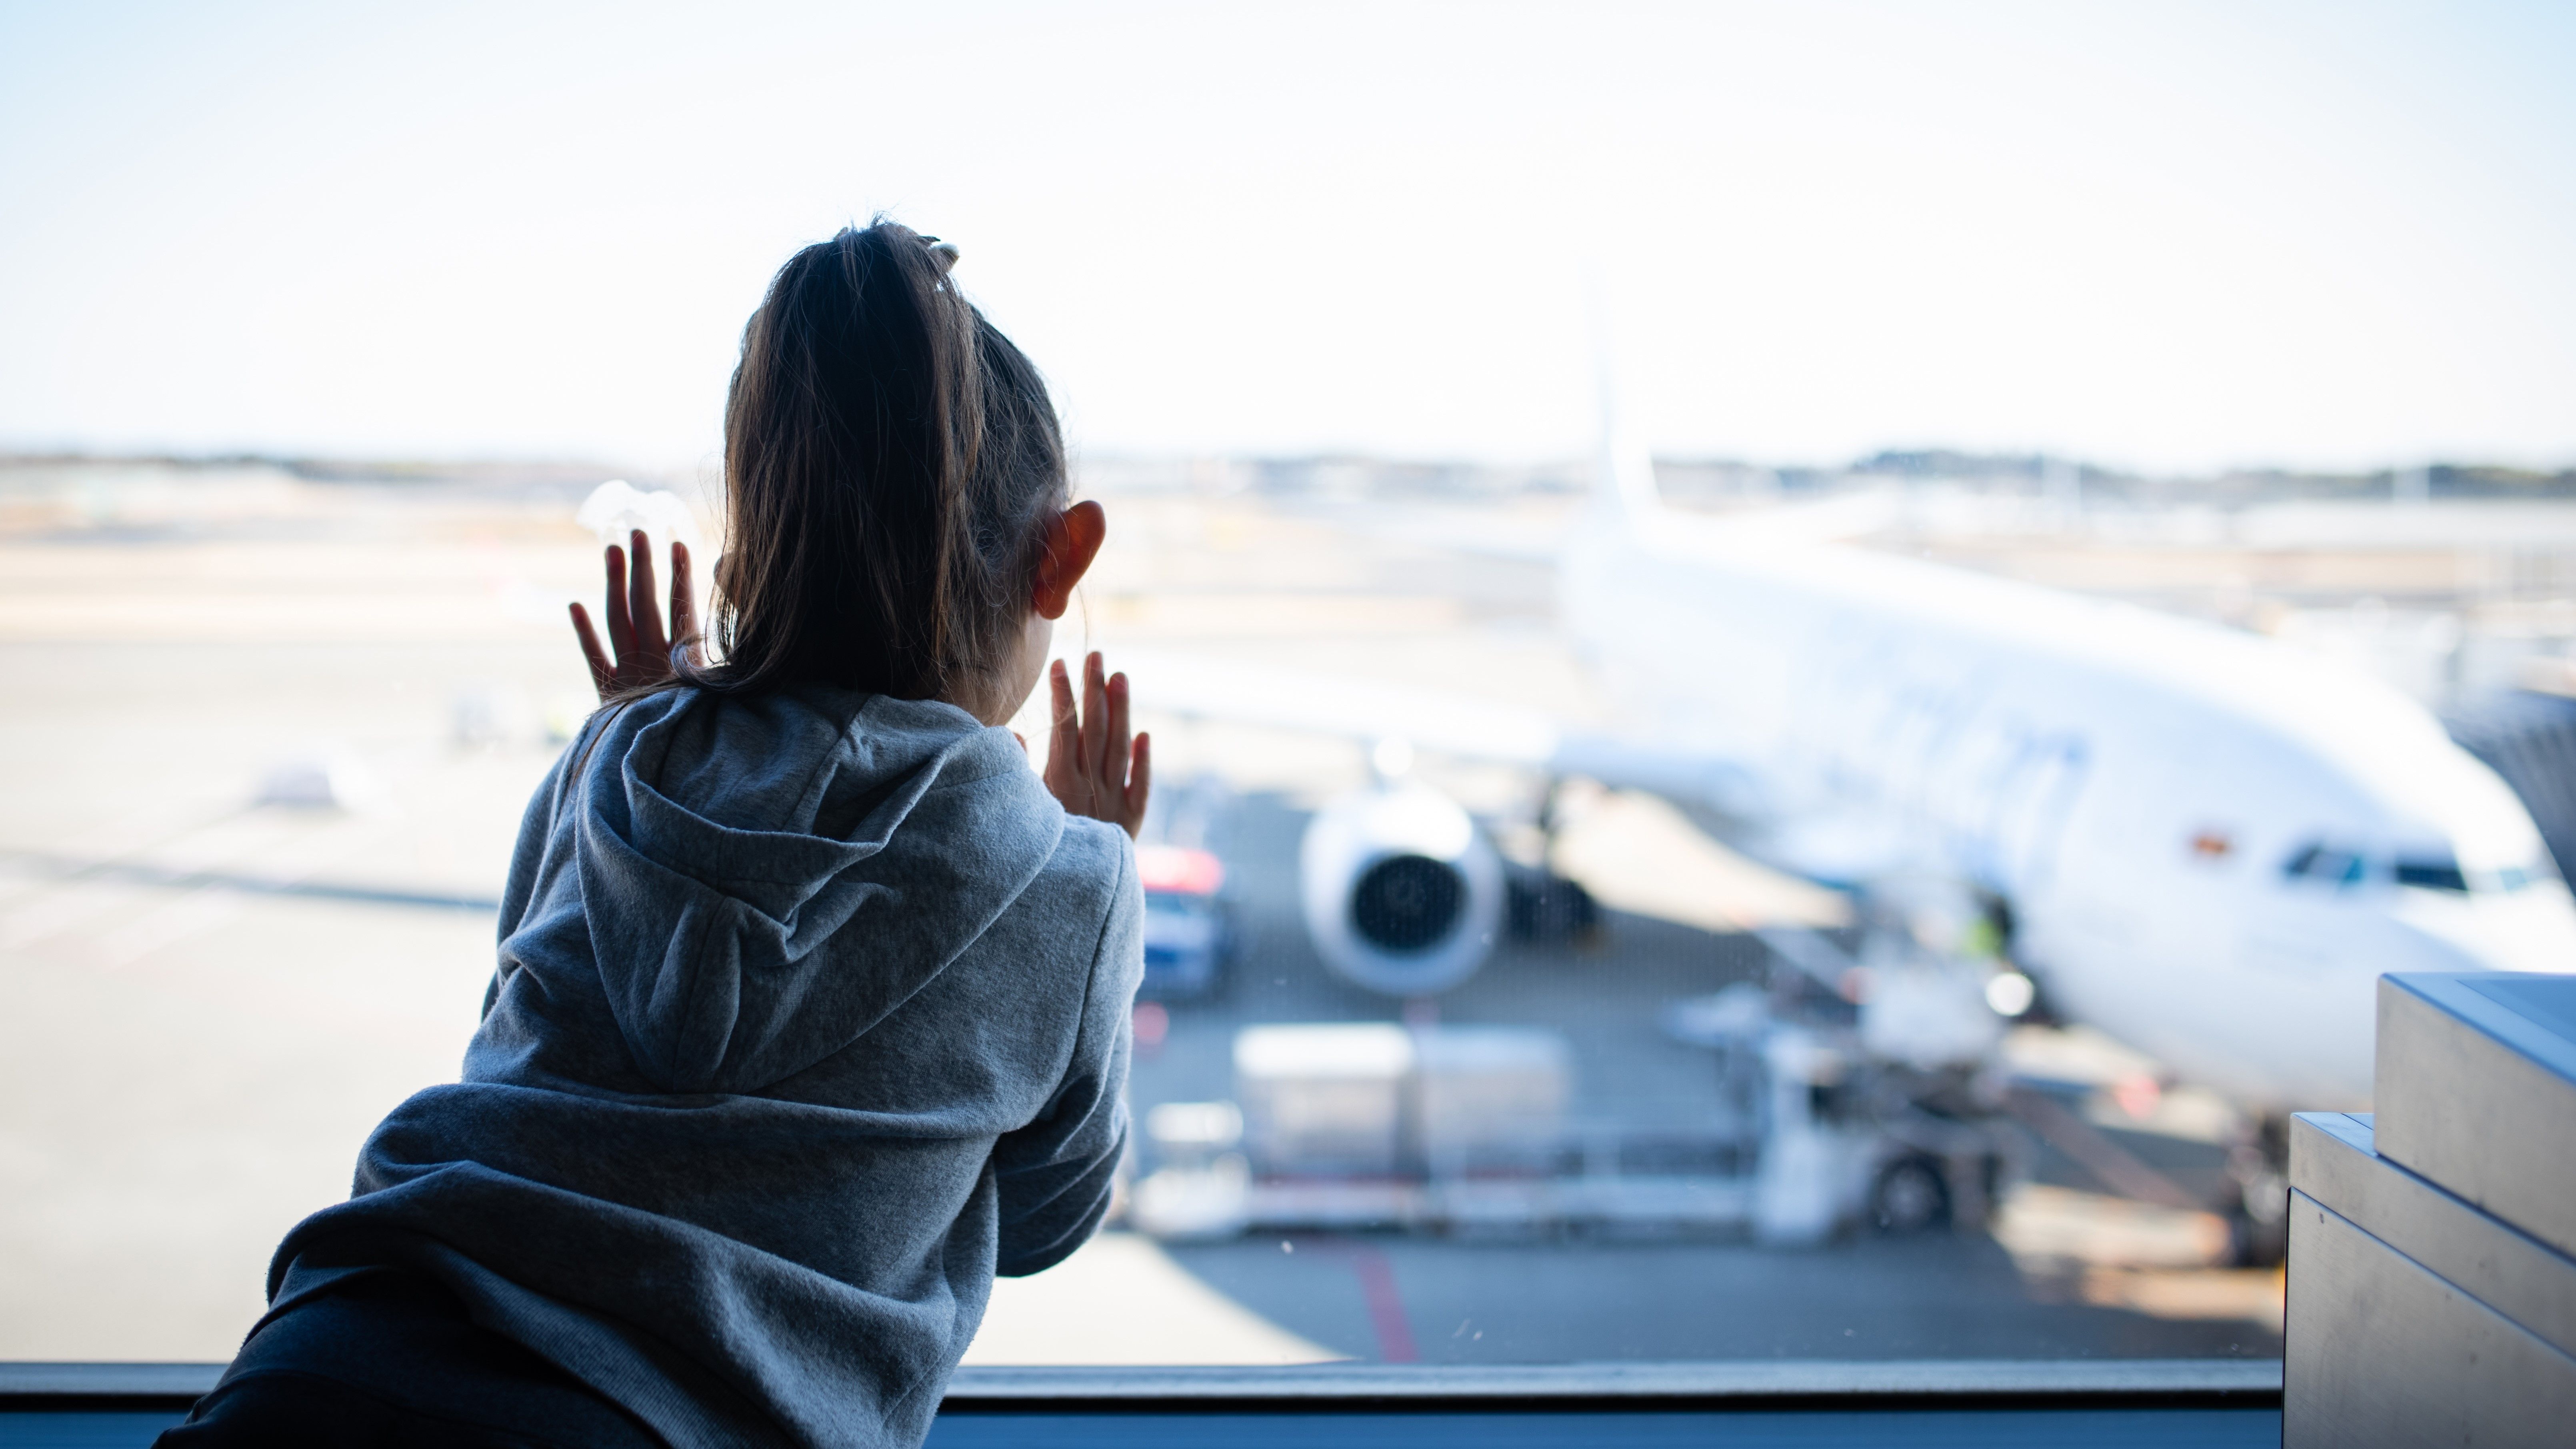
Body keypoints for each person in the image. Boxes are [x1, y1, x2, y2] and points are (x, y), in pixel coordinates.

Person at [160, 220, 1150, 1449]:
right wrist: (1092, 861)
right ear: (1065, 556)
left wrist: (643, 740)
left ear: (752, 544)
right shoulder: (1068, 879)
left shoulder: (611, 758)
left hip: (325, 1369)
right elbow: (1047, 1219)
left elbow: (522, 1047)